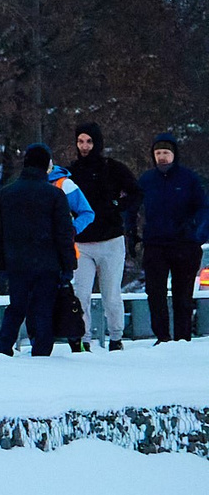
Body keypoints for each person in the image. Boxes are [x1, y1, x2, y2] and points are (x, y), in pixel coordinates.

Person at [0, 144, 78, 357]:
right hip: (47, 263)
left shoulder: (6, 194)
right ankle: (41, 353)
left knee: (16, 307)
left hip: (16, 263)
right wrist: (68, 265)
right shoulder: (54, 195)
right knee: (43, 310)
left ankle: (3, 349)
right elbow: (64, 234)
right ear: (47, 165)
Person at [66, 123, 141, 350]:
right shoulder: (72, 172)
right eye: (80, 141)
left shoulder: (113, 168)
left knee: (111, 294)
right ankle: (83, 338)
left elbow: (136, 193)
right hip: (82, 243)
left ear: (97, 142)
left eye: (89, 141)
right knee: (81, 295)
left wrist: (117, 205)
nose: (85, 146)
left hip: (111, 240)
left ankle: (116, 337)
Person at [135, 133, 209, 343]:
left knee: (183, 295)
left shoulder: (189, 179)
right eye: (158, 153)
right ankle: (162, 336)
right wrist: (132, 234)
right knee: (155, 293)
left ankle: (183, 338)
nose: (162, 157)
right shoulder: (147, 180)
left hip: (184, 244)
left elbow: (204, 207)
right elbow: (132, 207)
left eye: (166, 153)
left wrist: (198, 234)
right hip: (155, 244)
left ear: (174, 154)